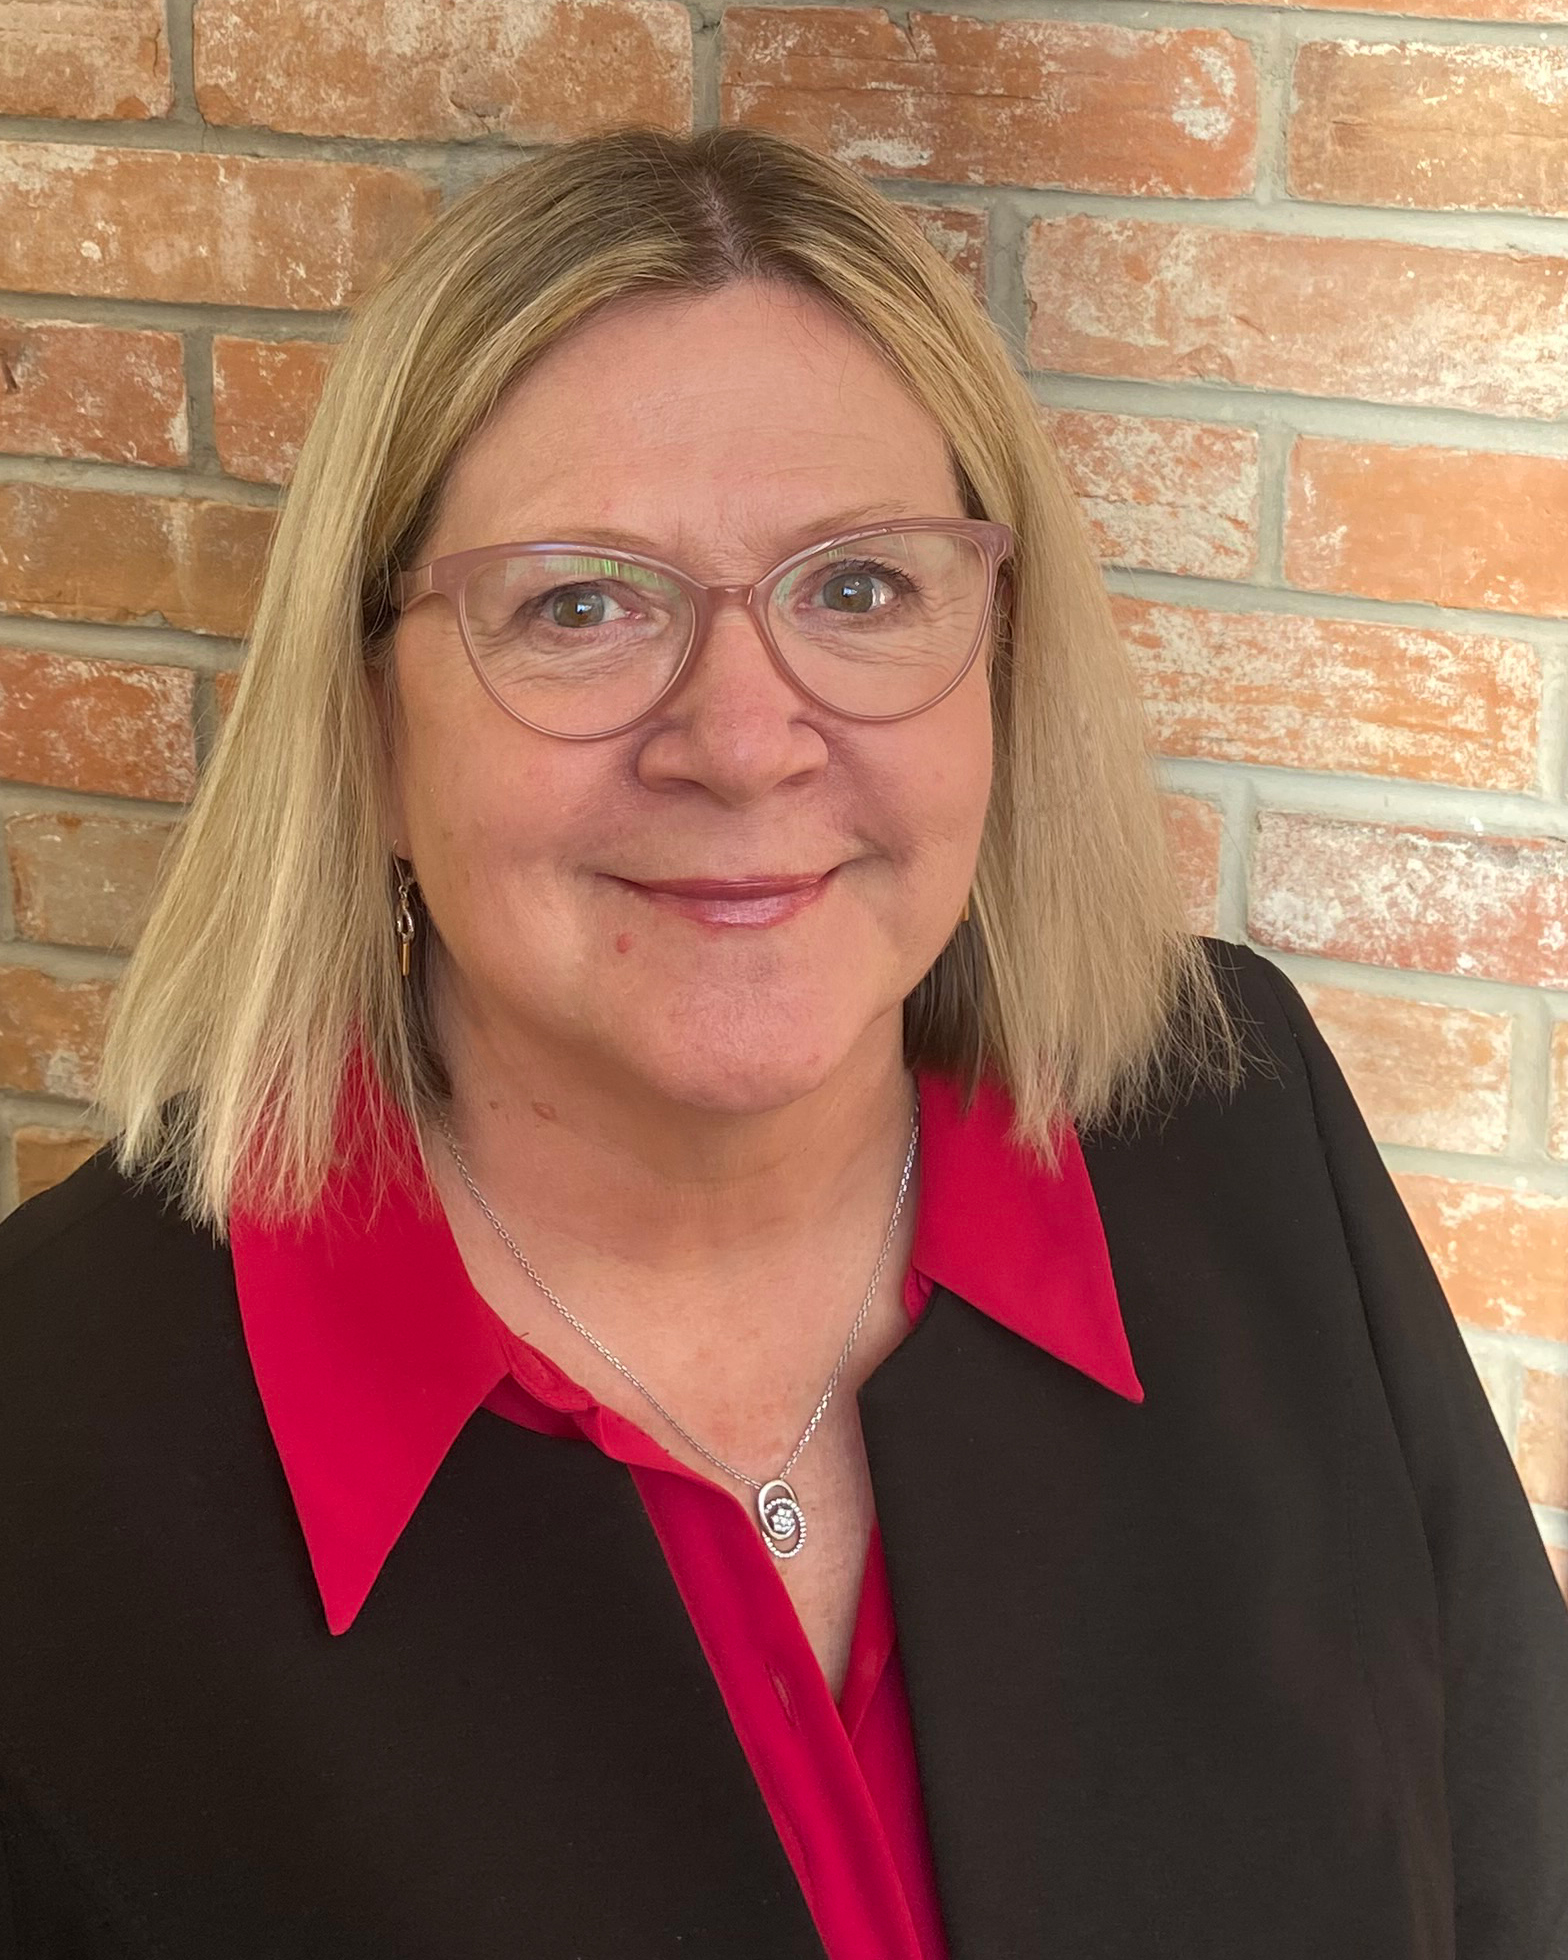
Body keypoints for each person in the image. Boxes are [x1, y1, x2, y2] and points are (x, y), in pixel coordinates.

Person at [1, 123, 1564, 1960]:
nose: (744, 743)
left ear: (998, 651)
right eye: (579, 604)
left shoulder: (1229, 1103)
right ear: (367, 724)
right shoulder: (51, 1448)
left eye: (861, 587)